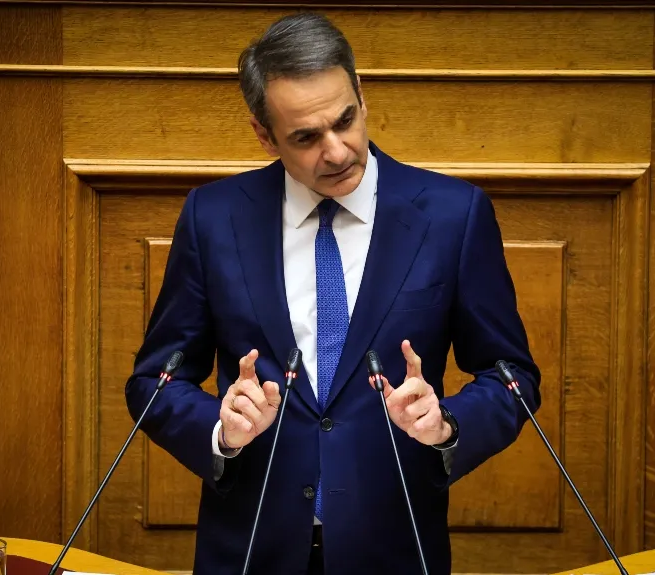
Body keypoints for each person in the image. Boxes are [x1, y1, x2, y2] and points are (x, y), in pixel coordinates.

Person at [124, 12, 541, 575]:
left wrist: (446, 424)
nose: (338, 151)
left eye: (345, 120)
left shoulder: (453, 215)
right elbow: (155, 380)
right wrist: (222, 430)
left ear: (361, 94)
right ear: (264, 135)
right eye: (306, 137)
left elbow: (511, 376)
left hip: (394, 551)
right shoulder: (213, 217)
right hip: (251, 551)